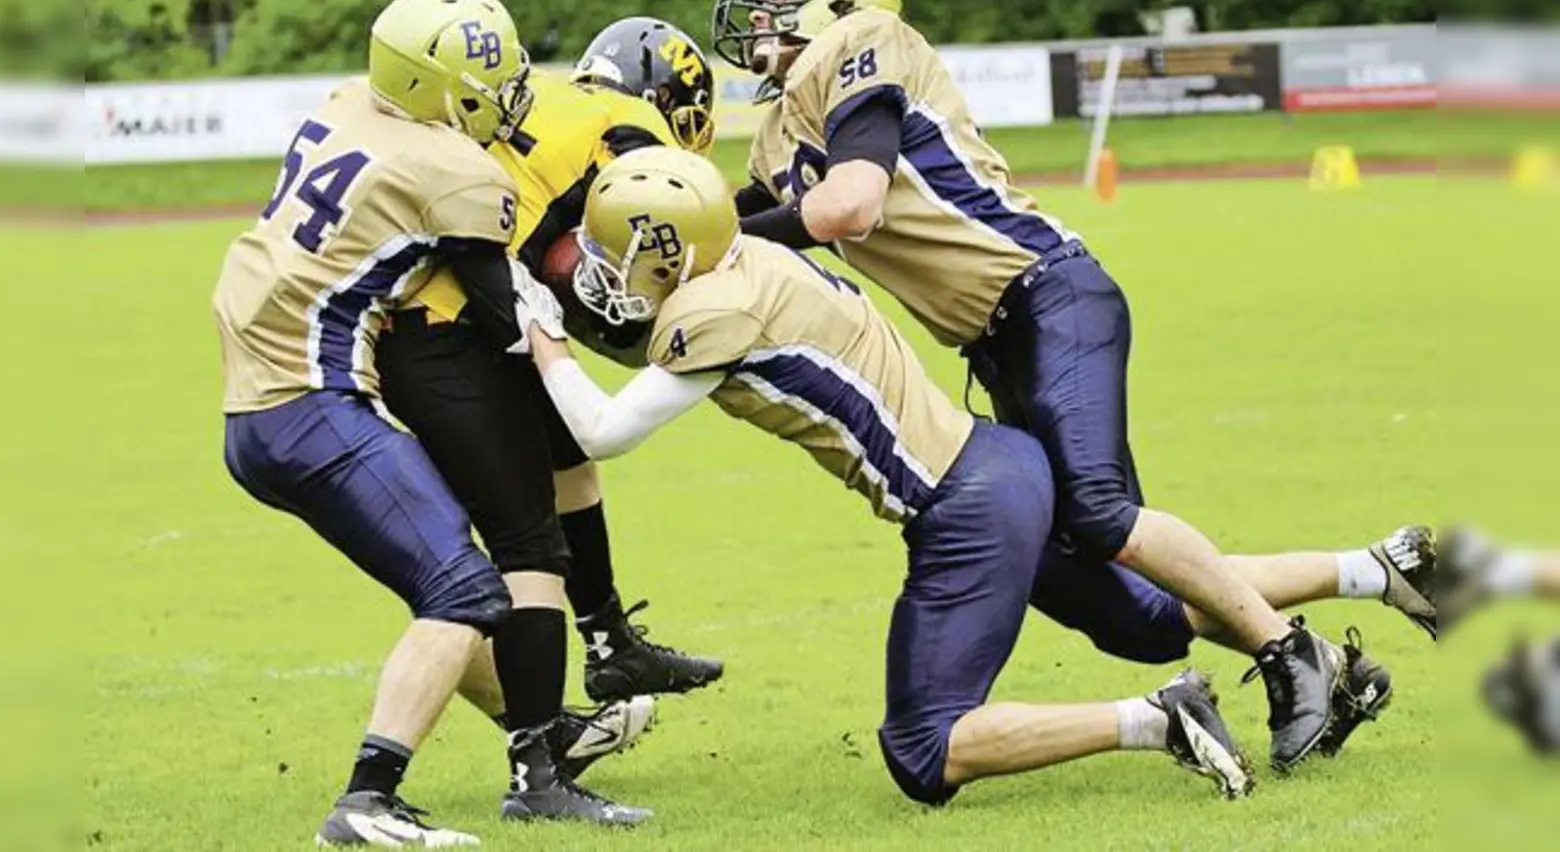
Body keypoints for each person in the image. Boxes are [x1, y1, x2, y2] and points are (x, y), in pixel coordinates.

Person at [711, 0, 1432, 770]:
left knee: (1096, 509)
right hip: (998, 341)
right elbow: (727, 231)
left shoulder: (866, 39)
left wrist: (725, 235)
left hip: (1050, 294)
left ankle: (1286, 654)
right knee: (1135, 616)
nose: (763, 14)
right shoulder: (774, 135)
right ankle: (1372, 577)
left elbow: (848, 204)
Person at [509, 145, 1258, 805]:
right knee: (1145, 617)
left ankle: (1160, 717)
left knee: (924, 748)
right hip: (998, 461)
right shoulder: (750, 258)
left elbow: (602, 432)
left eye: (616, 251)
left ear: (672, 250)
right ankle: (1358, 575)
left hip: (966, 507)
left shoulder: (712, 310)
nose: (604, 269)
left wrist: (543, 331)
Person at [212, 0, 649, 844]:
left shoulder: (344, 104)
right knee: (462, 588)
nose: (509, 92)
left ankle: (539, 734)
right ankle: (368, 796)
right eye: (488, 80)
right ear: (439, 89)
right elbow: (502, 307)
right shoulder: (452, 166)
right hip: (312, 404)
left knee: (447, 584)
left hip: (252, 409)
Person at [377, 16, 723, 706]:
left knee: (572, 462)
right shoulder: (628, 120)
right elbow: (667, 245)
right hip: (450, 328)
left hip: (465, 314)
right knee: (526, 549)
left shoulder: (562, 102)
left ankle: (610, 642)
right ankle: (535, 747)